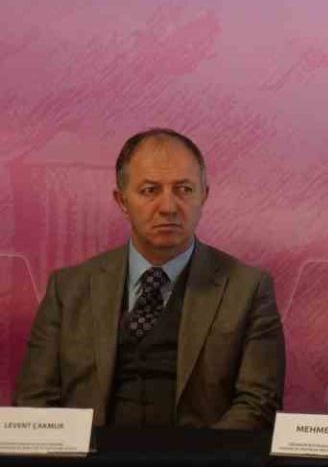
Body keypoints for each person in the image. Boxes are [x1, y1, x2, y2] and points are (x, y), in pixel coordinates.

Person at [14, 128, 285, 428]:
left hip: (201, 455)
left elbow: (257, 404)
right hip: (89, 456)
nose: (168, 207)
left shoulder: (248, 289)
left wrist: (202, 456)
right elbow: (34, 404)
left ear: (204, 196)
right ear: (121, 200)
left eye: (184, 189)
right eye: (150, 190)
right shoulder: (68, 290)